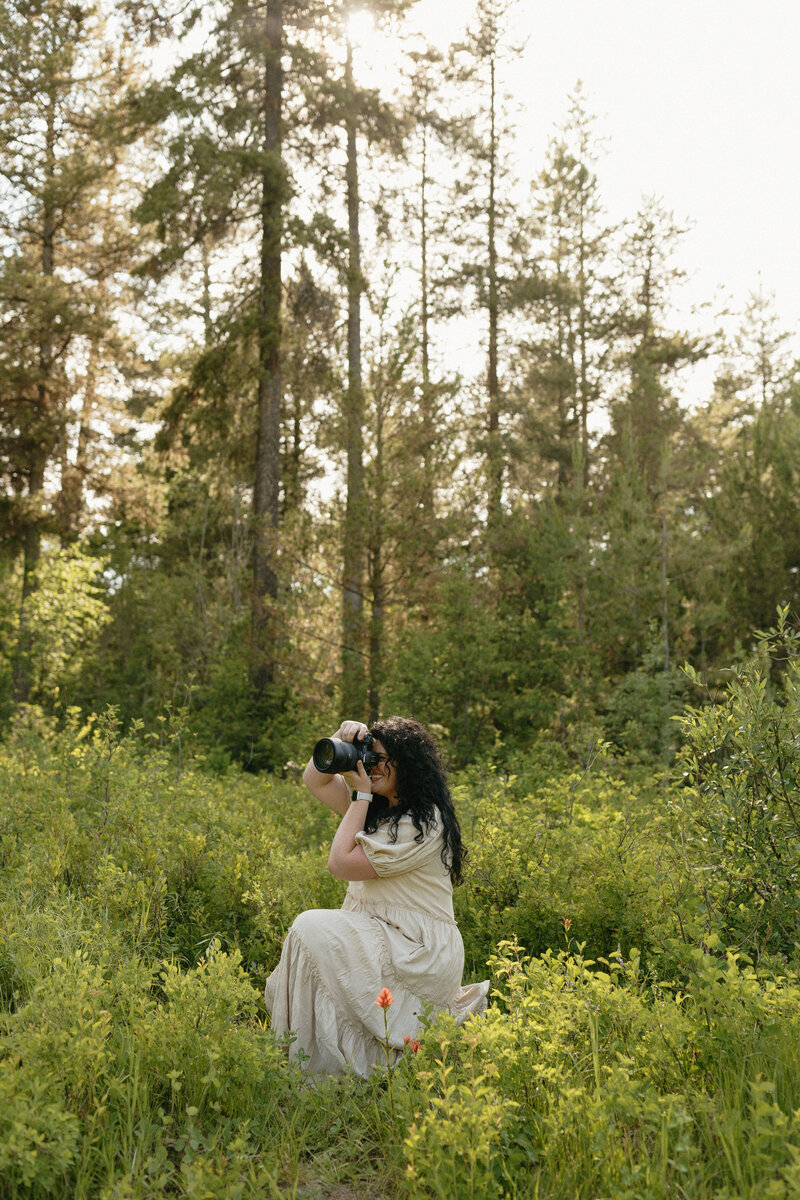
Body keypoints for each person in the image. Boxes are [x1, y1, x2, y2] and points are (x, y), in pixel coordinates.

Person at [264, 715, 489, 1077]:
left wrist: (361, 794)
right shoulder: (378, 809)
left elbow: (340, 863)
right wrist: (342, 739)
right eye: (371, 756)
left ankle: (328, 1070)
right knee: (314, 934)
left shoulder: (424, 822)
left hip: (419, 950)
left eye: (384, 758)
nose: (374, 765)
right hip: (384, 935)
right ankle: (301, 1059)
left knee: (311, 928)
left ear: (409, 764)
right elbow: (314, 779)